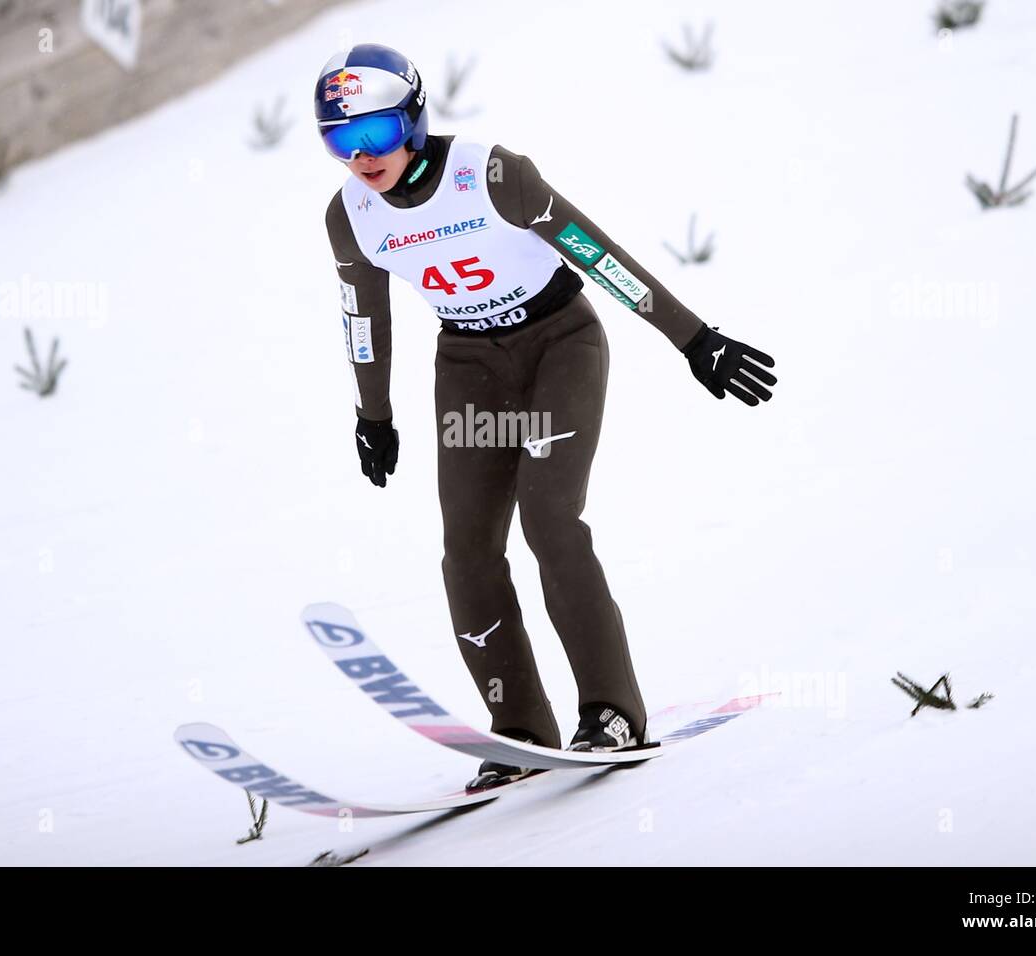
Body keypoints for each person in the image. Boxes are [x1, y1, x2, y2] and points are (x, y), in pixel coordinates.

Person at [316, 44, 776, 791]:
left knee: (550, 518)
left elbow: (598, 253)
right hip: (469, 369)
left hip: (559, 344)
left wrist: (695, 339)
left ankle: (612, 710)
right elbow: (362, 320)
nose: (360, 157)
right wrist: (373, 416)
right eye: (340, 140)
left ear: (411, 119)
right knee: (466, 547)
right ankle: (521, 727)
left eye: (373, 134)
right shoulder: (352, 216)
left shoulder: (491, 174)